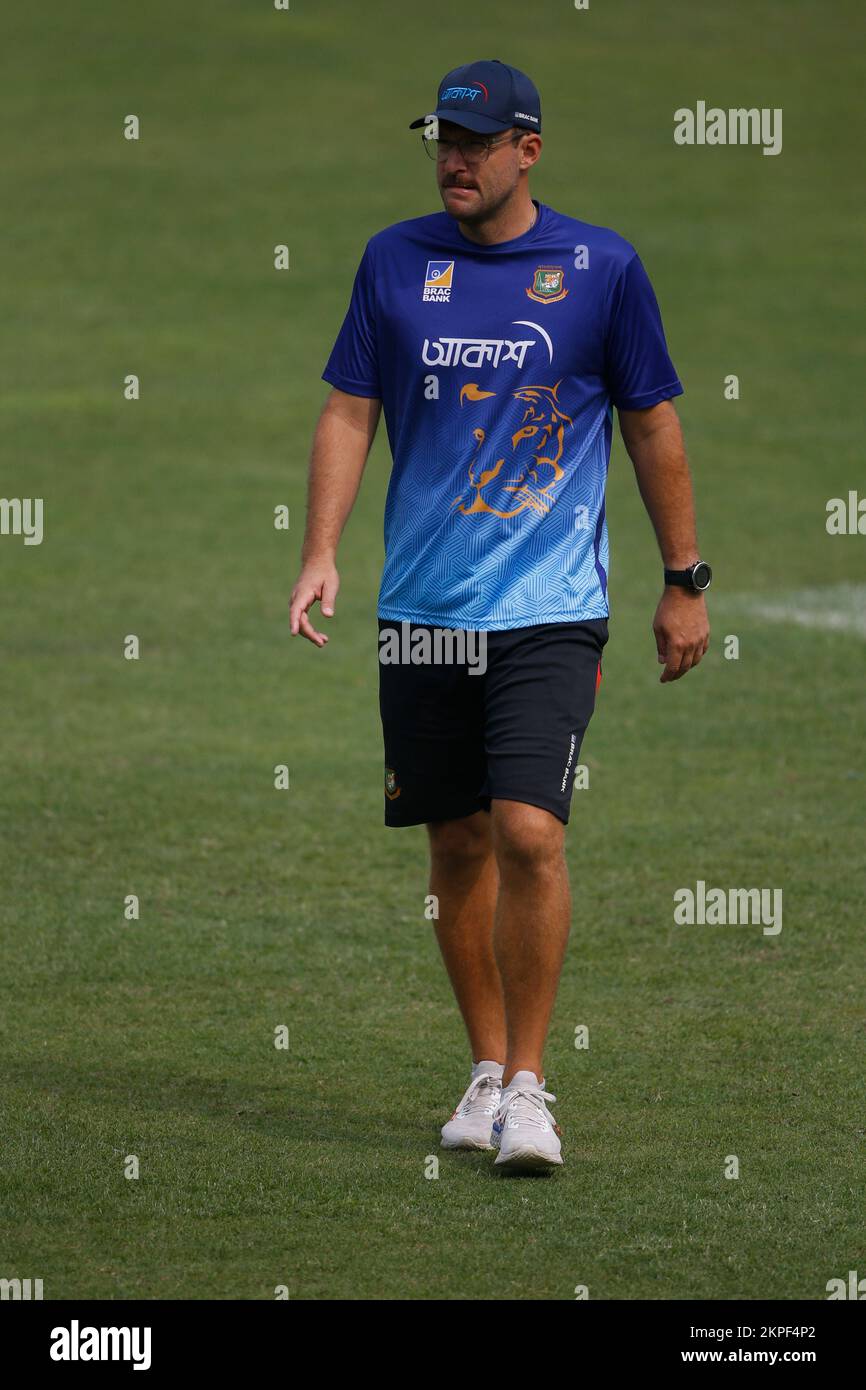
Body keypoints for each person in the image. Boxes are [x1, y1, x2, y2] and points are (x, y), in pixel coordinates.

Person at [289, 60, 711, 1172]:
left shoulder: (598, 268)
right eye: (442, 139)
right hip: (422, 606)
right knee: (457, 837)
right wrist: (320, 552)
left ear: (528, 150)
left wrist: (684, 577)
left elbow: (652, 425)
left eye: (476, 142)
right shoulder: (393, 260)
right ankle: (481, 1069)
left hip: (548, 610)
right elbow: (347, 410)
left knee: (528, 829)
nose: (453, 160)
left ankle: (530, 1083)